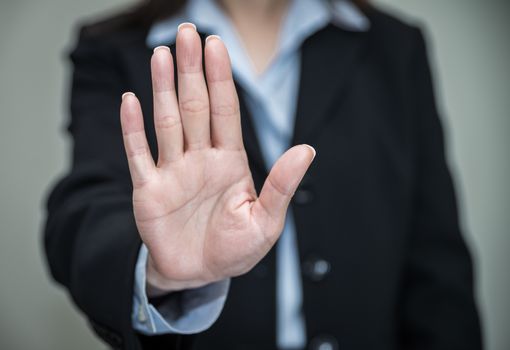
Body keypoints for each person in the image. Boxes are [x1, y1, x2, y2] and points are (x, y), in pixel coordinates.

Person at [43, 0, 483, 349]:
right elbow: (83, 211)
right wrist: (156, 268)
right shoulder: (113, 47)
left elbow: (435, 260)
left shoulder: (394, 47)